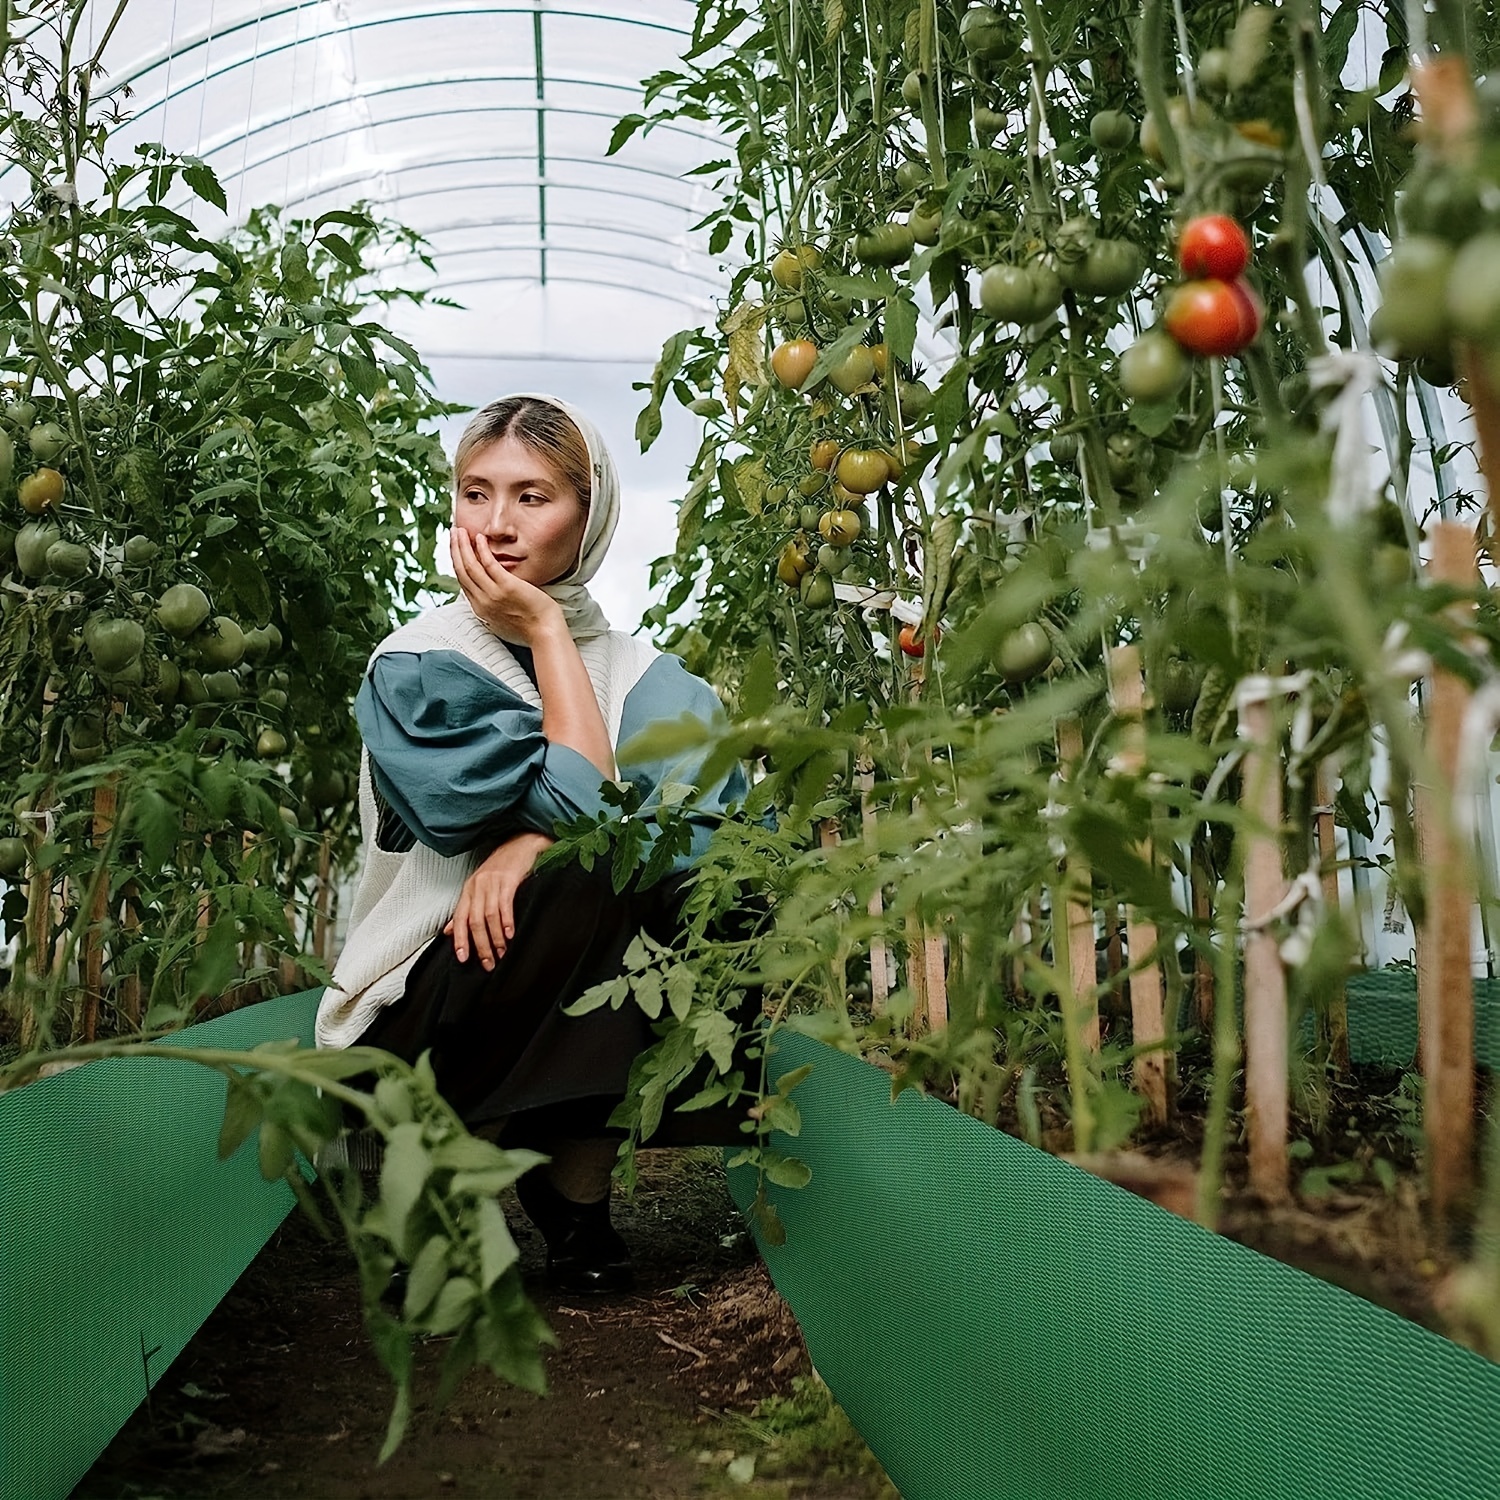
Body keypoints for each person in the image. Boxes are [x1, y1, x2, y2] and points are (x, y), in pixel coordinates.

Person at [316, 393, 748, 1293]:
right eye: (476, 494)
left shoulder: (653, 680)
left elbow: (708, 850)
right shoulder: (420, 665)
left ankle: (574, 1198)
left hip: (581, 980)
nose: (498, 526)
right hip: (430, 995)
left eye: (533, 497)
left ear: (591, 517)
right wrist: (547, 633)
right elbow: (594, 820)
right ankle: (438, 1201)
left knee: (673, 897)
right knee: (588, 876)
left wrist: (527, 844)